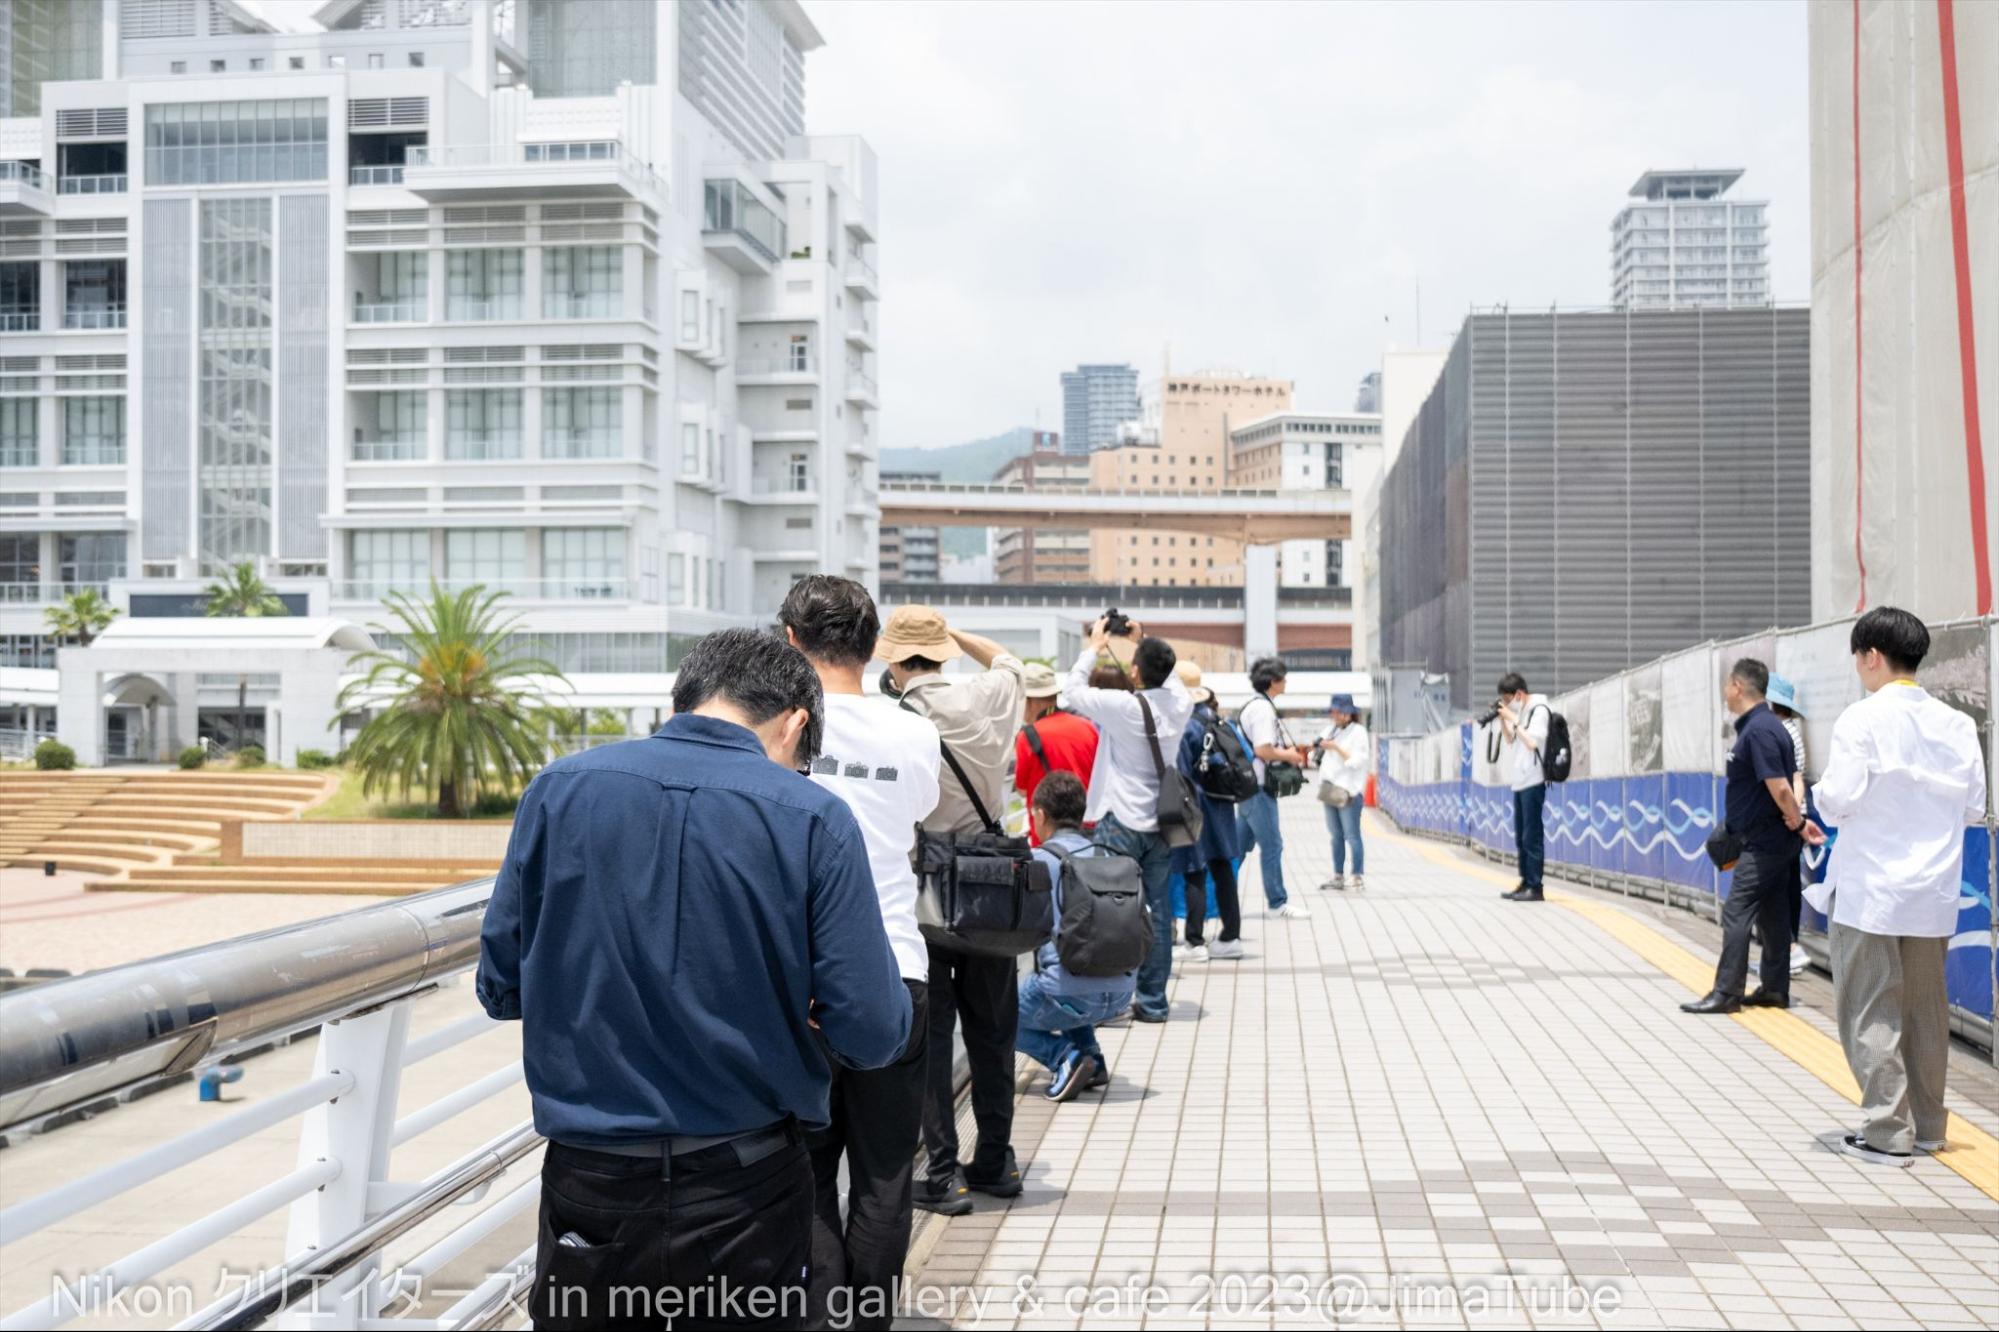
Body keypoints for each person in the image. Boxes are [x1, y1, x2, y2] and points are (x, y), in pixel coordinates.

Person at [477, 628, 911, 1330]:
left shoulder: (557, 790)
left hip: (591, 1178)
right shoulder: (814, 817)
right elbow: (871, 1032)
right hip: (745, 1184)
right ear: (796, 722)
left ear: (686, 697)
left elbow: (502, 987)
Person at [779, 577, 940, 1330]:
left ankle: (817, 1317)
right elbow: (916, 816)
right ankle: (869, 1319)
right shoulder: (913, 730)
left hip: (799, 978)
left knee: (806, 1169)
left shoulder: (778, 725)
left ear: (788, 642)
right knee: (883, 1174)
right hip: (896, 971)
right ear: (873, 647)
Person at [1809, 607, 1985, 1168]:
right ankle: (1930, 1126)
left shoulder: (1861, 720)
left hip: (1872, 890)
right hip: (1933, 892)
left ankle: (1887, 1129)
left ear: (1872, 657)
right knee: (1927, 1013)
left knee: (1870, 1009)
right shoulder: (1957, 724)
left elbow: (1837, 800)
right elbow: (1976, 806)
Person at [880, 605, 1030, 1215]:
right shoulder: (989, 698)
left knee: (933, 1035)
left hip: (927, 887)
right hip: (993, 880)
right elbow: (1008, 661)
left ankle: (944, 1174)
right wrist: (955, 632)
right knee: (994, 1032)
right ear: (943, 652)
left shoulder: (896, 722)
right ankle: (995, 1160)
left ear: (894, 661)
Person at [1063, 615, 1195, 1023]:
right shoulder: (1181, 704)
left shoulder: (1122, 706)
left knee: (1113, 911)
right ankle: (1153, 1002)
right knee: (1158, 909)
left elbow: (1071, 692)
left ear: (1135, 671)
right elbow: (1170, 678)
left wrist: (1096, 645)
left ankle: (1113, 999)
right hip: (1162, 824)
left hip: (1121, 820)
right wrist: (1143, 638)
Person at [1681, 658, 1821, 1016]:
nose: (1726, 692)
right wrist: (1798, 824)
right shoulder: (1765, 727)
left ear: (1738, 687)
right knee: (1773, 915)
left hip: (1764, 843)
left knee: (1737, 913)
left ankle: (1727, 991)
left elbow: (1781, 788)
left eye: (1728, 685)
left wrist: (1796, 820)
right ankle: (1774, 988)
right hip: (1772, 840)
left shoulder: (1759, 730)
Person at [1016, 770, 1138, 1099]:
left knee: (995, 1017)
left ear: (1039, 814)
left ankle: (1063, 1058)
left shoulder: (1040, 861)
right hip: (1121, 994)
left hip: (1070, 996)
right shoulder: (1109, 855)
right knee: (1072, 969)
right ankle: (1093, 1060)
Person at [1171, 661, 1246, 961]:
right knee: (1222, 867)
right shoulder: (1217, 719)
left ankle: (1195, 941)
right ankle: (1230, 936)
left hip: (1195, 804)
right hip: (1222, 805)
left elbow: (1179, 771)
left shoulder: (1185, 724)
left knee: (1194, 869)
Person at [1235, 657, 1313, 920]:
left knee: (1236, 849)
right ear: (1273, 682)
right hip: (1258, 788)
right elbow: (1263, 749)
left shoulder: (1255, 706)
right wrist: (1290, 756)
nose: (1286, 682)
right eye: (1283, 678)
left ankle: (1215, 897)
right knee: (1272, 846)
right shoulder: (1262, 710)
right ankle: (1277, 903)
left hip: (1248, 787)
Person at [1014, 661, 1099, 846]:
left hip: (1048, 838)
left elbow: (1022, 789)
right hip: (1088, 832)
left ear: (1030, 701)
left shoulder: (1027, 737)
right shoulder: (1088, 727)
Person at [1767, 673, 1812, 976]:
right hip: (1793, 817)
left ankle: (1790, 948)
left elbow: (1793, 778)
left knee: (1779, 886)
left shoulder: (1781, 731)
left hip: (1787, 818)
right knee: (1787, 884)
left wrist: (1793, 817)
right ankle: (1786, 949)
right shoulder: (1792, 730)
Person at [1495, 672, 1551, 902]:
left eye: (1509, 700)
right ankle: (1525, 881)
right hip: (1520, 782)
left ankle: (1536, 886)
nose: (1508, 705)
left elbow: (1532, 742)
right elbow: (1510, 741)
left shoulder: (1539, 710)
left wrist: (1513, 719)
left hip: (1534, 781)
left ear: (1519, 694)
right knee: (1520, 837)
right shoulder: (1522, 713)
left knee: (1532, 835)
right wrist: (1504, 720)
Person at [1315, 694, 1370, 892]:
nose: (1335, 715)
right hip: (1330, 789)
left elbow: (1357, 761)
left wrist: (1336, 748)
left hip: (1349, 791)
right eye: (1333, 711)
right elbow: (1318, 755)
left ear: (1349, 713)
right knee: (1335, 835)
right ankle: (1338, 875)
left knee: (1352, 835)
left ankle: (1357, 876)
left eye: (1338, 711)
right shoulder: (1330, 730)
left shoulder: (1359, 732)